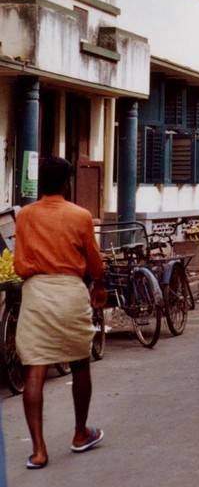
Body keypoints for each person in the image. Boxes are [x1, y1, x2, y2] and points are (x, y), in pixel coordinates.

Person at [14, 156, 107, 469]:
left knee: (34, 368)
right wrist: (99, 287)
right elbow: (94, 262)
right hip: (70, 291)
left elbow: (20, 258)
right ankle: (80, 433)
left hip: (36, 293)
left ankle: (38, 451)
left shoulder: (25, 216)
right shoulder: (80, 216)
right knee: (80, 361)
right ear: (67, 183)